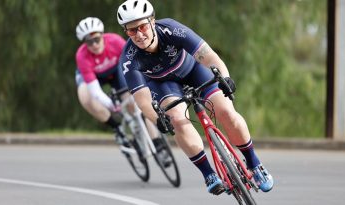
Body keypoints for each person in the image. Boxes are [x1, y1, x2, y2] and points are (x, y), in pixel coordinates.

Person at [116, 0, 274, 195]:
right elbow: (141, 99)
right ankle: (208, 173)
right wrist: (158, 119)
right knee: (177, 120)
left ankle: (254, 163)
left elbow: (209, 57)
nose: (139, 34)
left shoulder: (172, 29)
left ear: (152, 21)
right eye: (132, 31)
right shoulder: (129, 58)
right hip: (164, 85)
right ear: (126, 32)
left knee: (225, 111)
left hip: (193, 70)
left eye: (142, 26)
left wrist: (224, 78)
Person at [75, 17, 169, 161]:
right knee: (85, 97)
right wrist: (113, 107)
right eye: (89, 42)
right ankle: (117, 128)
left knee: (135, 102)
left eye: (97, 39)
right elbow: (95, 91)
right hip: (95, 77)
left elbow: (134, 63)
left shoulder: (115, 41)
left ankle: (156, 141)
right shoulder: (82, 56)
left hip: (117, 70)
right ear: (84, 43)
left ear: (102, 36)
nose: (94, 45)